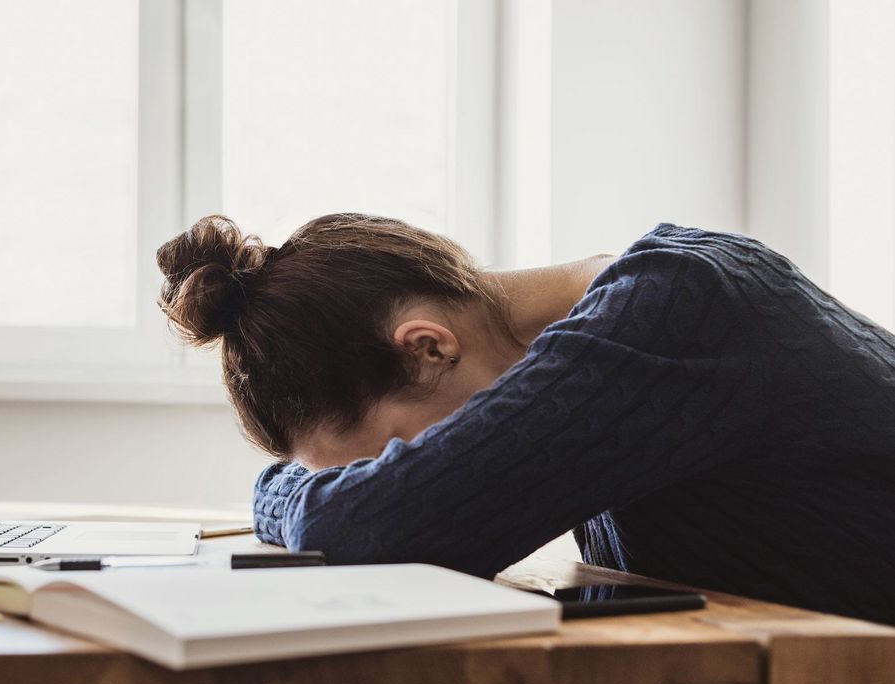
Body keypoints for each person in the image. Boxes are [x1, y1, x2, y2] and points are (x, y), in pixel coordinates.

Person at [155, 214, 895, 624]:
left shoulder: (675, 310)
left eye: (394, 455)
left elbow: (373, 525)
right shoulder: (639, 321)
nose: (405, 472)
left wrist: (287, 493)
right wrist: (302, 486)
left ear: (425, 348)